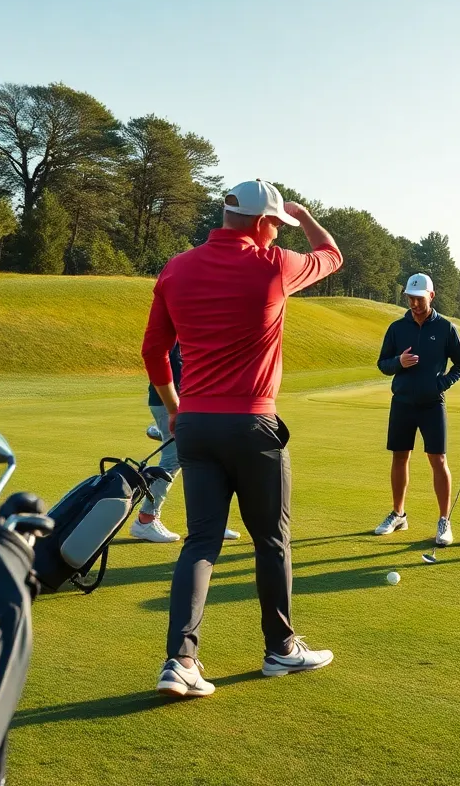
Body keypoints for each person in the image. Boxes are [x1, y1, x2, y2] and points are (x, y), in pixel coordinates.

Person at [141, 179, 343, 697]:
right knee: (271, 540)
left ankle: (180, 661)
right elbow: (331, 255)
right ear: (262, 222)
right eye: (277, 224)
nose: (278, 231)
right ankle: (281, 649)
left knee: (201, 542)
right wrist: (305, 215)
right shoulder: (274, 264)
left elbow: (153, 351)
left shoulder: (176, 268)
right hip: (253, 425)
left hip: (195, 425)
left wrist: (175, 410)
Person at [373, 273, 460, 545]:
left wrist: (442, 384)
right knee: (399, 457)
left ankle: (444, 521)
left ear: (431, 296)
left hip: (432, 404)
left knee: (438, 460)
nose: (414, 304)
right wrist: (398, 362)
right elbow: (382, 364)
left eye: (419, 299)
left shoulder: (445, 328)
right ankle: (398, 514)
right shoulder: (397, 328)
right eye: (410, 298)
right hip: (402, 402)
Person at [129, 340, 241, 544]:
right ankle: (146, 520)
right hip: (172, 401)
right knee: (173, 460)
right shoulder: (177, 329)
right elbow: (165, 361)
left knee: (205, 459)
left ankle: (208, 523)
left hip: (190, 401)